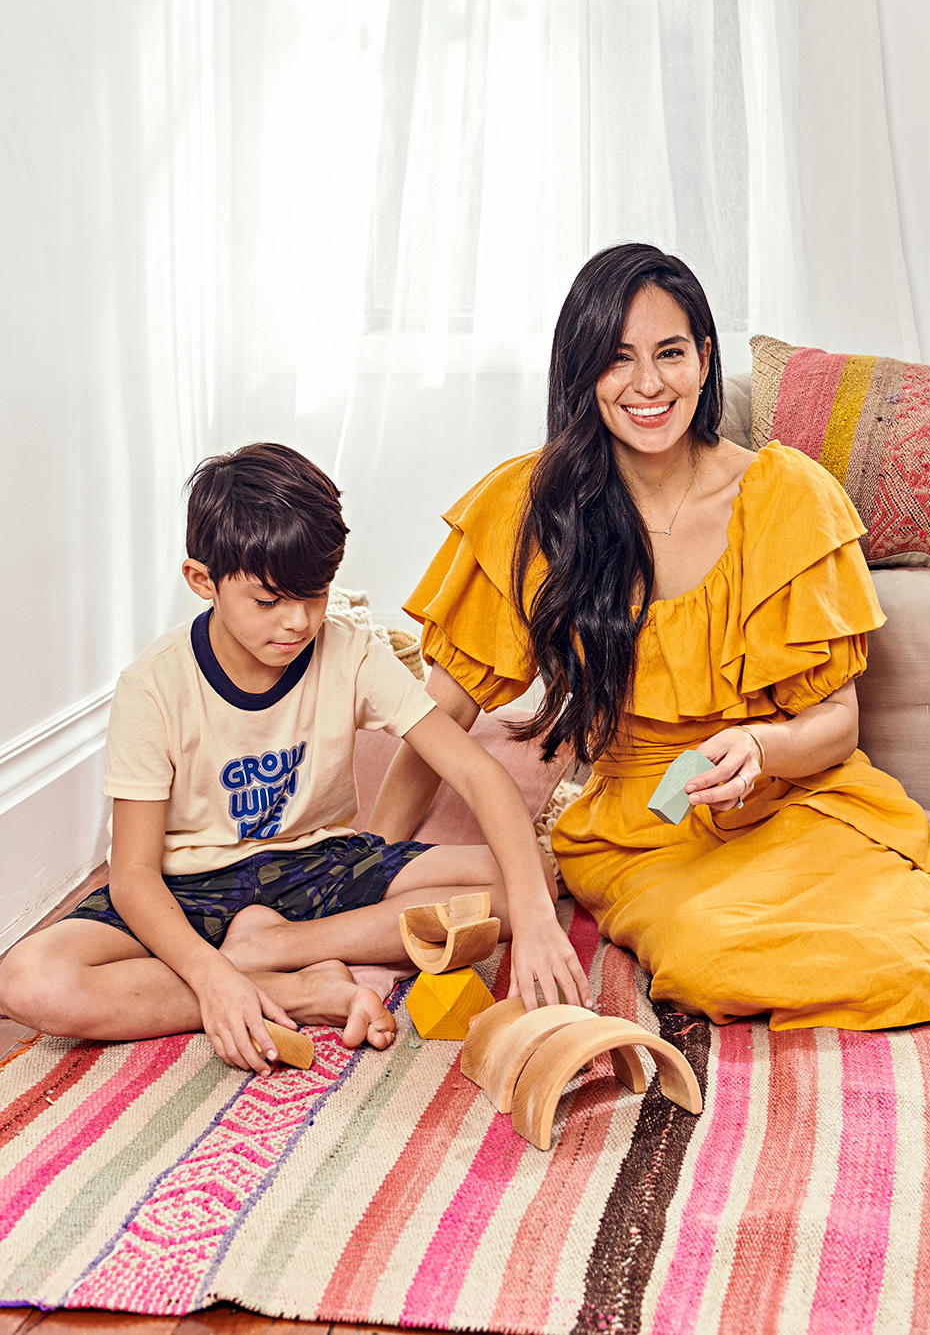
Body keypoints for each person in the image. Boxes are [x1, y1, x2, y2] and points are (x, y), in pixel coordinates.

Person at [373, 244, 930, 1031]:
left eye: (670, 354)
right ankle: (927, 868)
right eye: (617, 359)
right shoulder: (532, 505)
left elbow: (836, 723)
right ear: (580, 373)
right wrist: (364, 861)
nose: (648, 385)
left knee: (902, 960)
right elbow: (438, 711)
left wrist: (761, 750)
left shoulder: (785, 495)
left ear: (706, 359)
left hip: (780, 794)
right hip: (642, 830)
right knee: (708, 962)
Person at [0, 444, 588, 1071]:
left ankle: (279, 948)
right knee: (30, 979)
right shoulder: (153, 686)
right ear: (203, 581)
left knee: (526, 882)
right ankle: (285, 987)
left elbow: (474, 770)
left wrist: (533, 918)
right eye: (268, 600)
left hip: (319, 865)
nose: (298, 622)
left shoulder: (351, 651)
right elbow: (135, 873)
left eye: (316, 594)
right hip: (187, 887)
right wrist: (208, 977)